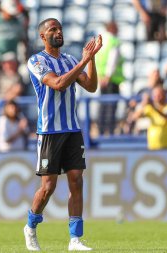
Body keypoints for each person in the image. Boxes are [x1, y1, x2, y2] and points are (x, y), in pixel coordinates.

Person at [24, 18, 102, 251]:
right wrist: (84, 61)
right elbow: (57, 84)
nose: (58, 32)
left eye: (60, 28)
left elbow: (91, 86)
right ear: (43, 37)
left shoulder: (69, 60)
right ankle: (30, 226)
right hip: (49, 131)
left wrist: (92, 61)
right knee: (48, 188)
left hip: (72, 130)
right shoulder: (36, 61)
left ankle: (75, 239)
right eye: (53, 29)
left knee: (76, 181)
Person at [95, 21, 125, 136]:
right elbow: (113, 60)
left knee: (103, 105)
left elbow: (97, 60)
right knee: (111, 106)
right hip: (111, 80)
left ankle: (101, 130)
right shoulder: (114, 41)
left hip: (101, 78)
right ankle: (110, 131)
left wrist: (100, 77)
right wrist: (107, 76)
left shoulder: (100, 41)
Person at [132, 86, 167, 150]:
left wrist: (153, 106)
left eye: (159, 95)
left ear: (165, 95)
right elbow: (135, 117)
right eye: (155, 95)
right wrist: (143, 104)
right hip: (153, 147)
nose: (157, 97)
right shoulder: (149, 108)